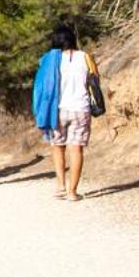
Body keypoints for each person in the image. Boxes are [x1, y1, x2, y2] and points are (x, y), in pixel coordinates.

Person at [32, 24, 98, 201]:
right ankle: (72, 192)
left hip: (58, 110)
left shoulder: (48, 60)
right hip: (81, 109)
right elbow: (95, 79)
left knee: (58, 148)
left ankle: (60, 185)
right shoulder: (85, 57)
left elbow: (41, 85)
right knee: (76, 150)